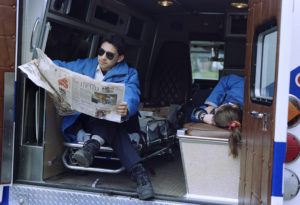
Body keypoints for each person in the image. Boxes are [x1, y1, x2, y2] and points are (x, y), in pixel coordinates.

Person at [51, 34, 154, 200]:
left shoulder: (129, 73)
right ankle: (139, 172)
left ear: (120, 58)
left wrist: (126, 106)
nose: (103, 57)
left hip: (113, 120)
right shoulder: (86, 65)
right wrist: (39, 65)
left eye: (109, 55)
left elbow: (132, 93)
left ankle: (92, 145)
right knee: (109, 125)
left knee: (113, 123)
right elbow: (59, 67)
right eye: (101, 52)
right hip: (86, 119)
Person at [191, 74, 244, 157]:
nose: (215, 109)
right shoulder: (240, 87)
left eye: (216, 110)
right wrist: (212, 104)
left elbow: (193, 113)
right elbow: (227, 79)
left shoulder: (223, 115)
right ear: (232, 106)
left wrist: (204, 117)